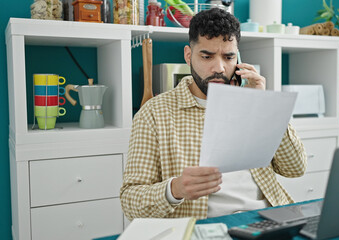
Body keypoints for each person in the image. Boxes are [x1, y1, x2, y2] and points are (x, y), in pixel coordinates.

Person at [120, 8, 307, 220]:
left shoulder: (251, 103)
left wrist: (264, 106)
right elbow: (130, 202)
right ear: (188, 56)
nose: (219, 68)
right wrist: (175, 189)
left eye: (228, 57)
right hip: (207, 226)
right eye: (207, 56)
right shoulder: (154, 114)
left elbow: (295, 168)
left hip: (268, 218)